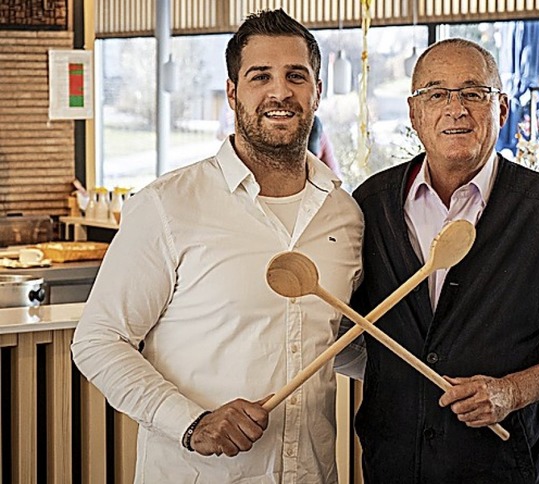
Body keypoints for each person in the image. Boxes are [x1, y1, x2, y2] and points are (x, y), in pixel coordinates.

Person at [72, 9, 363, 483]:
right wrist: (192, 423)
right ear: (232, 93)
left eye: (296, 76)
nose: (280, 92)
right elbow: (99, 340)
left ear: (317, 92)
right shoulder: (168, 206)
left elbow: (335, 339)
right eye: (259, 76)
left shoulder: (345, 214)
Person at [350, 38, 539, 483]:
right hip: (393, 463)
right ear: (415, 115)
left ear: (503, 109)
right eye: (436, 94)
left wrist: (511, 392)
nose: (456, 109)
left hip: (508, 466)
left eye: (474, 93)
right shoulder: (369, 204)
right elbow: (350, 331)